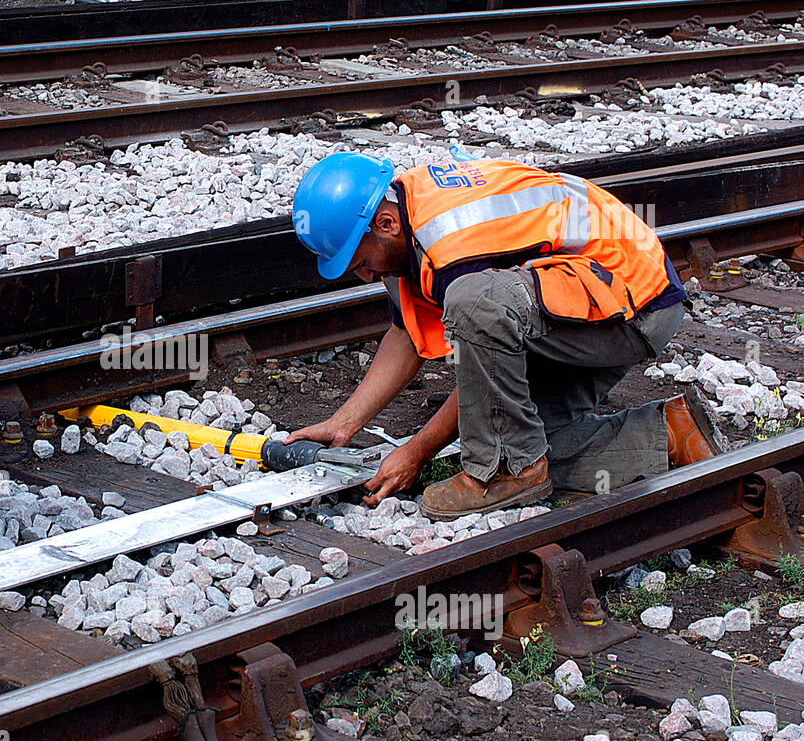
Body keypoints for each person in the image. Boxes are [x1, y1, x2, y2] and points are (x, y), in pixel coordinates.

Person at [286, 152, 722, 521]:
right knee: (534, 439)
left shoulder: (450, 244)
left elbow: (482, 352)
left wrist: (417, 451)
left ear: (384, 224)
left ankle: (500, 474)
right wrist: (343, 424)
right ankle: (671, 433)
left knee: (476, 306)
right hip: (585, 294)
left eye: (361, 263)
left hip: (634, 300)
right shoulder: (405, 213)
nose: (365, 275)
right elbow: (406, 333)